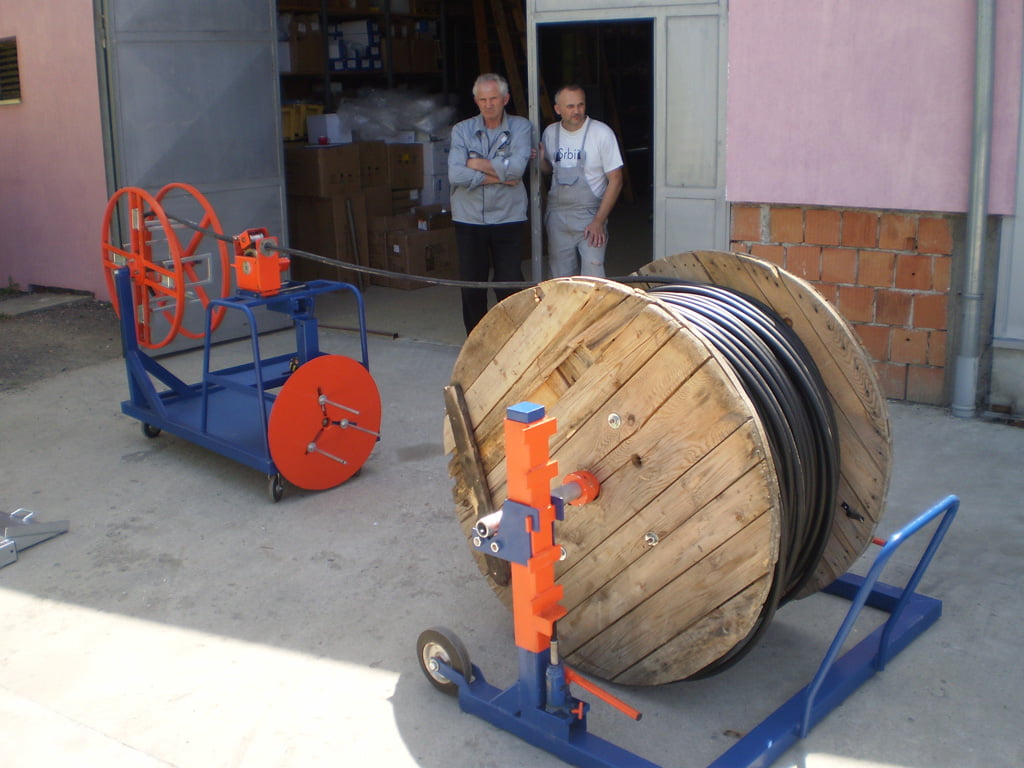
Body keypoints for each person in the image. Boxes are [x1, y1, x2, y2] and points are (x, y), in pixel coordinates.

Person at [449, 73, 533, 334]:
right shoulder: (461, 130)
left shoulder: (521, 127)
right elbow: (455, 174)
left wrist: (475, 164)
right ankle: (476, 342)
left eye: (494, 98)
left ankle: (511, 340)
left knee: (509, 283)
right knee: (472, 286)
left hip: (508, 217)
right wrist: (500, 176)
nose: (488, 104)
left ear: (505, 99)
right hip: (469, 218)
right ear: (476, 101)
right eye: (483, 99)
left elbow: (517, 169)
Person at [539, 85, 624, 278]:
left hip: (590, 216)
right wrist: (541, 160)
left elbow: (616, 179)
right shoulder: (551, 133)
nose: (576, 111)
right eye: (570, 106)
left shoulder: (601, 133)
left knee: (593, 279)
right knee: (560, 280)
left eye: (580, 105)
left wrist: (599, 221)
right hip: (558, 216)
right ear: (557, 109)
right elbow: (549, 171)